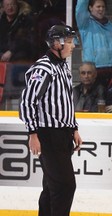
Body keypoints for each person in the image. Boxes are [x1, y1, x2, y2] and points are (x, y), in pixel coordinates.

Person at [19, 24, 82, 216]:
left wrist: (74, 128)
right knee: (65, 186)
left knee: (52, 186)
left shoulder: (62, 66)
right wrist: (33, 134)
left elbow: (65, 102)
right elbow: (28, 101)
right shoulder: (44, 68)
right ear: (57, 43)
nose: (73, 46)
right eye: (69, 42)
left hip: (62, 134)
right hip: (48, 134)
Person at [75, 0, 112, 88]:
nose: (101, 9)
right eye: (98, 6)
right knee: (93, 100)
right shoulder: (85, 24)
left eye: (103, 7)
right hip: (92, 70)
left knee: (109, 99)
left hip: (111, 70)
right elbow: (80, 8)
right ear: (90, 8)